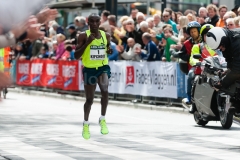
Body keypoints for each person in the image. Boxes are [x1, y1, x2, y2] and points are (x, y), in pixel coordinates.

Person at [74, 13, 112, 140]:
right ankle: (85, 124)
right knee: (89, 100)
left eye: (97, 21)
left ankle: (102, 119)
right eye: (92, 21)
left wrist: (109, 50)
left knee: (105, 91)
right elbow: (76, 55)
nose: (94, 24)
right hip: (89, 69)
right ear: (87, 22)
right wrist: (87, 43)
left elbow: (108, 49)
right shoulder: (83, 36)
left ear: (100, 22)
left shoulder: (106, 35)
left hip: (102, 68)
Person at [188, 24, 216, 113]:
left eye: (210, 35)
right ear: (202, 36)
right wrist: (197, 62)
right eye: (206, 35)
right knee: (192, 77)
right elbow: (192, 58)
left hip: (217, 72)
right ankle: (192, 103)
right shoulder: (198, 46)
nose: (208, 37)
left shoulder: (219, 46)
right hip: (201, 72)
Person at [206, 27, 240, 92]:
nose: (221, 49)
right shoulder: (226, 41)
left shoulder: (237, 42)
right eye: (219, 48)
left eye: (221, 47)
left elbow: (237, 70)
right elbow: (229, 58)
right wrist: (228, 70)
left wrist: (222, 83)